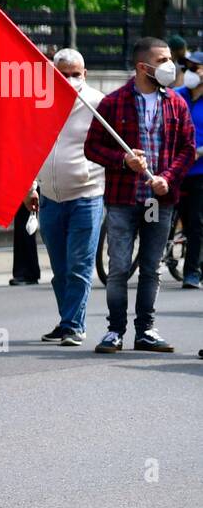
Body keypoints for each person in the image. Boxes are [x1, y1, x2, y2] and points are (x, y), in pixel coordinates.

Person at [85, 37, 196, 354]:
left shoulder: (175, 103)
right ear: (142, 66)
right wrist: (122, 160)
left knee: (151, 267)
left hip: (159, 200)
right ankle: (114, 330)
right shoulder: (113, 103)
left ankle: (145, 329)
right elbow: (92, 147)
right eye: (162, 60)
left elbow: (187, 148)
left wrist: (168, 178)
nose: (169, 65)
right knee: (119, 267)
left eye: (169, 59)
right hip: (123, 199)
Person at [23, 48, 105, 345]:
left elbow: (111, 148)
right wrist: (30, 186)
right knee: (59, 268)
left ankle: (74, 325)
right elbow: (30, 149)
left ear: (85, 74)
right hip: (49, 198)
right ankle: (67, 320)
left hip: (87, 195)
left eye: (75, 74)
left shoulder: (98, 104)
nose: (70, 79)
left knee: (79, 265)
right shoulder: (39, 104)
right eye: (63, 74)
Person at [175, 53, 203, 288]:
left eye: (197, 68)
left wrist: (199, 151)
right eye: (189, 67)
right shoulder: (177, 96)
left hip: (199, 172)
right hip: (174, 170)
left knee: (196, 222)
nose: (191, 72)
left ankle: (192, 271)